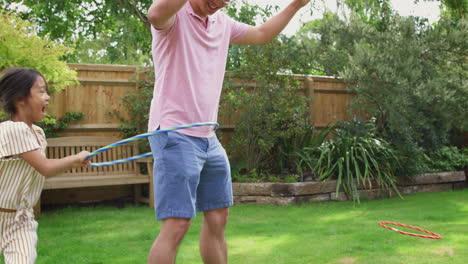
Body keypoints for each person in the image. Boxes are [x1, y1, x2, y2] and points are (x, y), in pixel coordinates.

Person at [146, 0, 310, 263]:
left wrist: (296, 5)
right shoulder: (174, 17)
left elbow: (261, 34)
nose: (220, 3)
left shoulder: (222, 23)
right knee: (177, 224)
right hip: (174, 133)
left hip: (208, 137)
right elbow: (155, 13)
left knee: (218, 217)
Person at [0, 68, 90, 264]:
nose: (47, 98)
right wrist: (75, 159)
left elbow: (40, 171)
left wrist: (73, 162)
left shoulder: (38, 134)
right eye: (41, 92)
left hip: (21, 220)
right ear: (19, 98)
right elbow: (46, 167)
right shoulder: (12, 130)